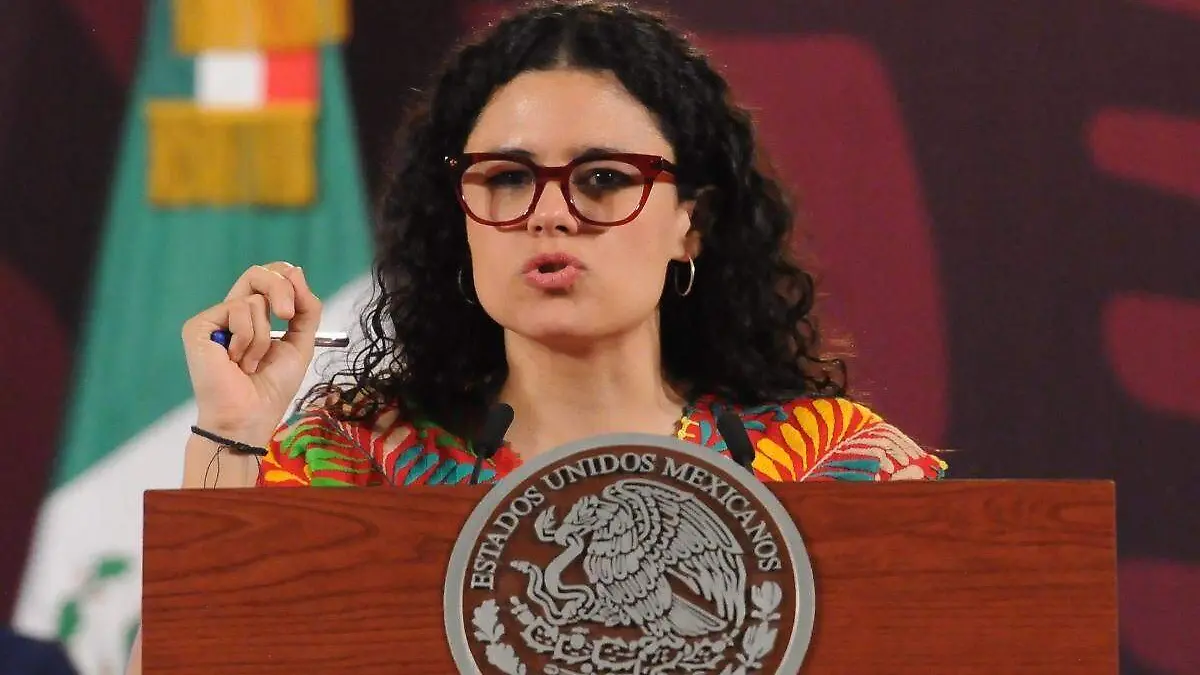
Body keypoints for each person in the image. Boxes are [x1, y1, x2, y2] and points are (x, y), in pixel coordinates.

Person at [179, 0, 948, 490]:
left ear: (692, 223)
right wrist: (232, 435)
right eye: (508, 178)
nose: (550, 214)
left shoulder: (831, 467)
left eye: (603, 178)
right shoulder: (356, 460)